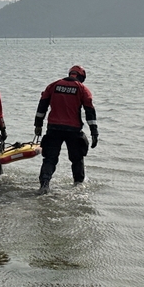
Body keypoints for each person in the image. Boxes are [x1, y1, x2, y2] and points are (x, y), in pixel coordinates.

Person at [34, 65, 98, 193]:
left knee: (50, 159)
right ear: (81, 77)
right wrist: (94, 132)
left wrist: (38, 125)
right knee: (77, 159)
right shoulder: (82, 89)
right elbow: (90, 112)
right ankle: (78, 186)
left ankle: (44, 185)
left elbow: (42, 106)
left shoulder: (53, 86)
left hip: (53, 128)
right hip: (73, 130)